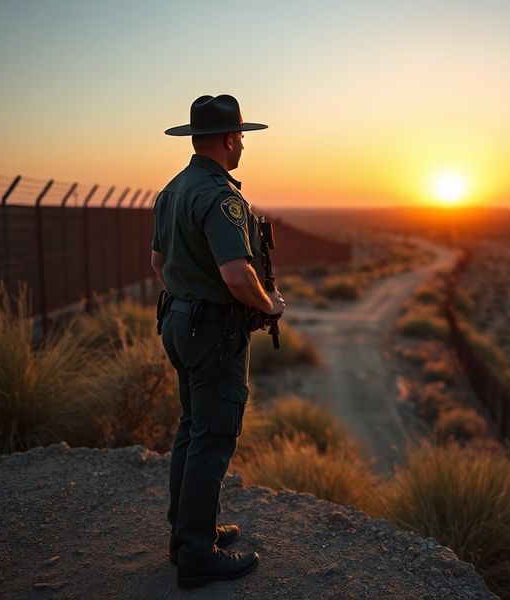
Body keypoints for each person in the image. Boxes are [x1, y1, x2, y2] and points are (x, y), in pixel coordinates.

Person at [150, 94, 285, 589]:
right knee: (213, 437)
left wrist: (187, 302)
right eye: (242, 137)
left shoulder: (172, 190)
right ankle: (197, 557)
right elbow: (235, 272)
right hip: (211, 331)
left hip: (177, 323)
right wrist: (268, 304)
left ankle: (187, 535)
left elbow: (158, 267)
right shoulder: (221, 196)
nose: (243, 144)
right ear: (230, 140)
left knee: (192, 427)